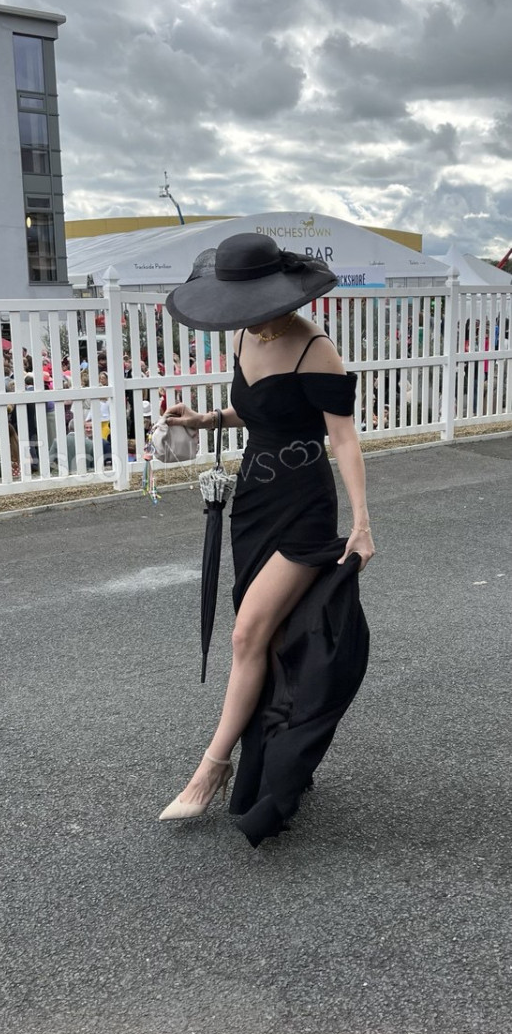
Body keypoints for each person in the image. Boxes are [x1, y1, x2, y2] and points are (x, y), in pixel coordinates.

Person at [159, 233, 375, 848]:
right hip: (253, 502)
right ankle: (278, 764)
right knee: (274, 639)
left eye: (251, 303)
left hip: (304, 508)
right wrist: (207, 419)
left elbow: (343, 439)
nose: (244, 315)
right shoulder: (244, 337)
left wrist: (362, 523)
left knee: (247, 634)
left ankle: (212, 768)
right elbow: (259, 411)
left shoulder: (315, 348)